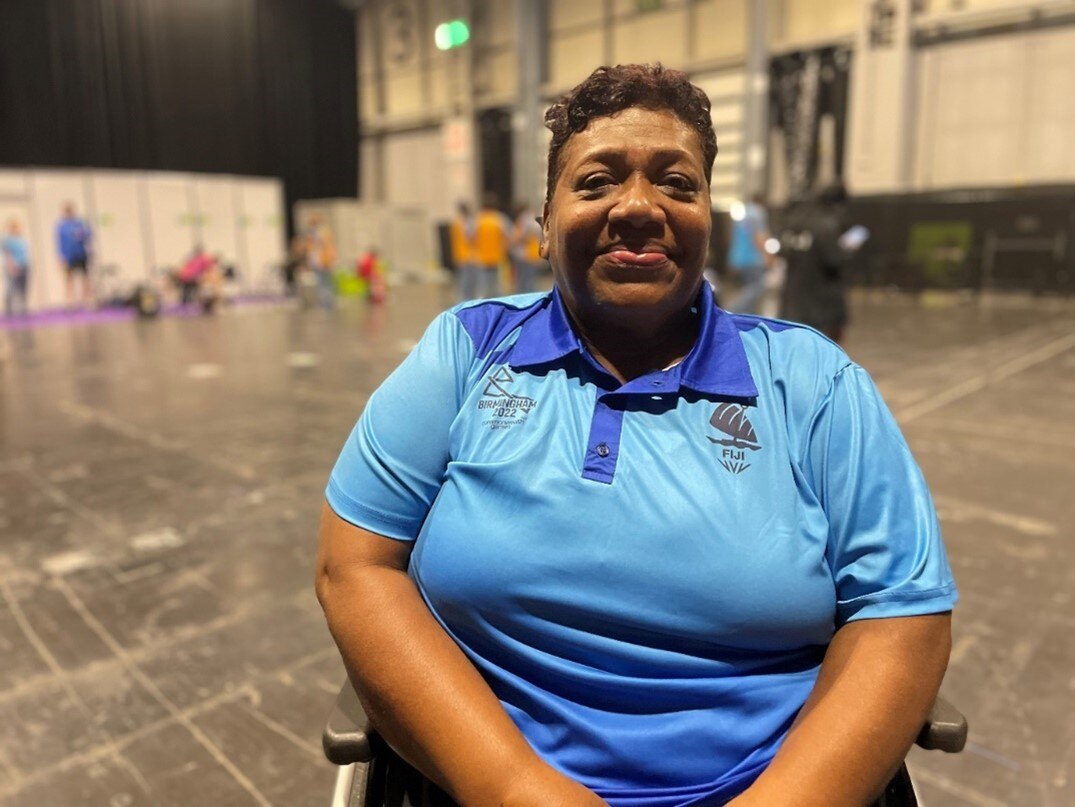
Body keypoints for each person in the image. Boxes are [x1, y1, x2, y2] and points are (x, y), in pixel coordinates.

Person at [317, 64, 956, 807]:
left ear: (708, 217)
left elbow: (901, 613)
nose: (638, 207)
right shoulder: (464, 352)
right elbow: (354, 565)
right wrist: (514, 787)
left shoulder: (813, 380)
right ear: (545, 222)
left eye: (677, 184)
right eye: (596, 182)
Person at [780, 183, 852, 343]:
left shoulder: (793, 223)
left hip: (793, 299)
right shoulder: (826, 224)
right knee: (823, 348)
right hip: (821, 302)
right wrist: (848, 250)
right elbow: (833, 259)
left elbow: (784, 253)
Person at [726, 194, 770, 315]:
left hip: (739, 258)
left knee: (749, 288)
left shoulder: (743, 214)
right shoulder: (758, 213)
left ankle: (741, 315)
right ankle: (733, 311)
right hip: (754, 259)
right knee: (755, 288)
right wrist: (768, 257)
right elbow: (759, 237)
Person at [56, 203, 93, 308]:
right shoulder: (62, 226)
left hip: (81, 254)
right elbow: (59, 243)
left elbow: (89, 234)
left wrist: (81, 234)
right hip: (69, 256)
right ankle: (70, 302)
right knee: (69, 279)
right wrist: (61, 256)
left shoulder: (80, 223)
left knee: (85, 277)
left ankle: (87, 299)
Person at [509, 202, 547, 295]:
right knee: (530, 279)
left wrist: (512, 243)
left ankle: (524, 298)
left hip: (524, 254)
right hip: (533, 254)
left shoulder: (524, 220)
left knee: (523, 281)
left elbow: (520, 236)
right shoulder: (534, 220)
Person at [306, 214, 338, 309]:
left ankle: (326, 304)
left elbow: (315, 249)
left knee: (323, 284)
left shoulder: (318, 233)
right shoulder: (322, 232)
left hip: (322, 262)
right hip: (323, 262)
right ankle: (327, 303)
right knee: (325, 283)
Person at [1, 220, 30, 317]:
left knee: (23, 289)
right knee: (11, 289)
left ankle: (23, 310)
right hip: (13, 267)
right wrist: (11, 266)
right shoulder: (7, 241)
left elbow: (25, 253)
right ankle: (9, 312)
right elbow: (6, 254)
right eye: (15, 227)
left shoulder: (22, 240)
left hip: (24, 265)